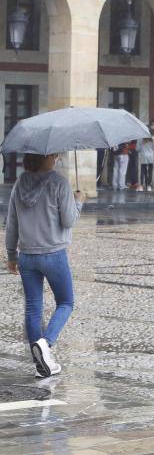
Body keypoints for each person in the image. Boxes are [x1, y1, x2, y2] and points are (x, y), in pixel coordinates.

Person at [5, 153, 84, 378]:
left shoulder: (19, 183)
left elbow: (11, 222)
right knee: (66, 302)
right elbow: (69, 220)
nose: (57, 158)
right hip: (54, 254)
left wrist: (11, 254)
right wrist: (78, 202)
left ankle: (41, 364)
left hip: (27, 255)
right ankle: (46, 345)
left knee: (32, 307)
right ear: (46, 158)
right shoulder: (59, 183)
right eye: (54, 155)